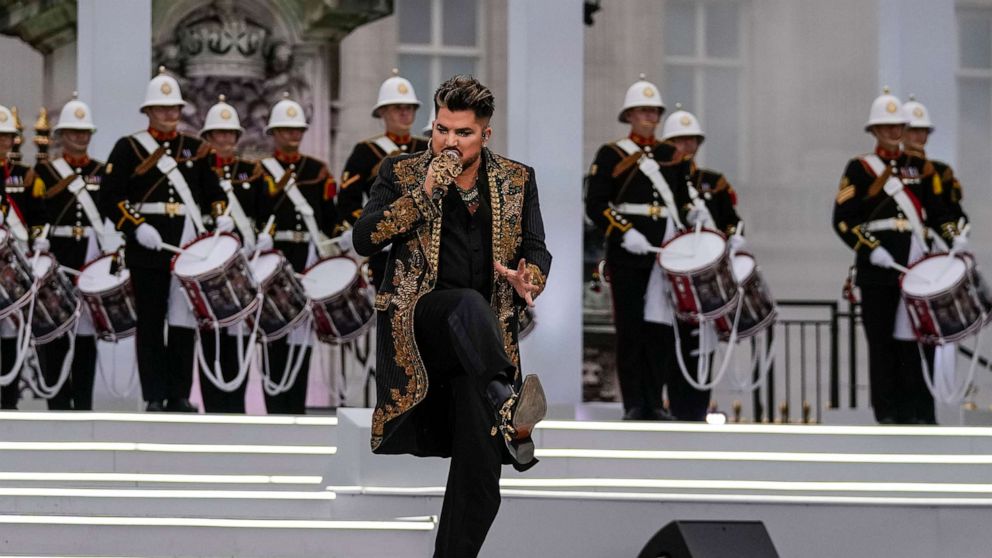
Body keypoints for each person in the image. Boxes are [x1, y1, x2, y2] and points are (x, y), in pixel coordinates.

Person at [353, 75, 551, 557]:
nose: (447, 141)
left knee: (482, 480)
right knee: (463, 302)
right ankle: (508, 404)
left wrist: (531, 278)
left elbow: (536, 248)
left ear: (485, 134)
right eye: (441, 129)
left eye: (462, 132)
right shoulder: (399, 171)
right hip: (421, 326)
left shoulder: (516, 178)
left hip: (479, 349)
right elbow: (365, 238)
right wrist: (424, 193)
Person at [832, 88, 964, 424]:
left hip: (916, 267)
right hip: (879, 270)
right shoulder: (860, 168)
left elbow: (937, 212)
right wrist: (870, 248)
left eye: (898, 125)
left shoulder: (920, 168)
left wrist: (953, 237)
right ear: (874, 130)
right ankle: (888, 413)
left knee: (917, 343)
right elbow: (844, 219)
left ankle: (919, 411)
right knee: (882, 344)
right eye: (887, 126)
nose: (894, 132)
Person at [102, 67, 230, 412]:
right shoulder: (128, 148)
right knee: (150, 319)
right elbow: (110, 197)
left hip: (186, 244)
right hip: (148, 245)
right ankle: (154, 395)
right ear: (148, 111)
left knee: (182, 320)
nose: (169, 113)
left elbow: (213, 190)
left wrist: (220, 213)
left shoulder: (196, 148)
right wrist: (135, 226)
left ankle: (179, 394)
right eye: (162, 108)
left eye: (174, 107)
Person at [584, 75, 689, 421]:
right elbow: (596, 204)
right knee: (629, 329)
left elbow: (682, 204)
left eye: (654, 112)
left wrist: (695, 217)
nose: (649, 118)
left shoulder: (671, 156)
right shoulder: (612, 154)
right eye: (642, 111)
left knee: (658, 330)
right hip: (628, 253)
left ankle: (655, 401)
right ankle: (634, 403)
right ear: (629, 115)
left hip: (664, 254)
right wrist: (623, 231)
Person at [656, 105, 744, 421]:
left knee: (701, 348)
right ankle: (674, 407)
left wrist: (733, 238)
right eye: (679, 141)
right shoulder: (659, 184)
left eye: (692, 140)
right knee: (672, 344)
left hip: (704, 281)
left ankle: (695, 410)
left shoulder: (713, 182)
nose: (687, 147)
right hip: (673, 278)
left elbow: (733, 221)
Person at [255, 93, 338, 414]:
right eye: (287, 129)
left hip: (306, 252)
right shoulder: (260, 171)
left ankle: (296, 404)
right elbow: (254, 213)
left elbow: (328, 218)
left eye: (297, 129)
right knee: (273, 327)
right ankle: (273, 404)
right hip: (274, 254)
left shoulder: (316, 170)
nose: (293, 135)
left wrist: (341, 238)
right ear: (274, 133)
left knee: (302, 331)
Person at [25, 94, 109, 410]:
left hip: (89, 255)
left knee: (86, 334)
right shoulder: (43, 174)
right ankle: (57, 403)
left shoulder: (102, 171)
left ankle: (84, 402)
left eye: (84, 131)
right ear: (61, 136)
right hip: (56, 256)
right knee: (53, 330)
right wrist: (38, 242)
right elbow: (33, 214)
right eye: (73, 131)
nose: (79, 137)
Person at [197, 95, 269, 413]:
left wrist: (263, 235)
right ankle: (212, 403)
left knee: (239, 332)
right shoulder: (198, 172)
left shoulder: (250, 171)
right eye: (218, 134)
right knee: (211, 329)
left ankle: (236, 404)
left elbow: (263, 210)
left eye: (229, 134)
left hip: (241, 260)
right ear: (208, 138)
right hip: (210, 262)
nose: (224, 139)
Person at [336, 69, 429, 288]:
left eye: (410, 108)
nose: (405, 113)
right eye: (398, 108)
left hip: (425, 244)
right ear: (383, 113)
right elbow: (347, 200)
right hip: (385, 246)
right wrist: (374, 227)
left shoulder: (427, 148)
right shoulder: (365, 152)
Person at [0, 103, 45, 409]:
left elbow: (38, 215)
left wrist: (39, 240)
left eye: (7, 137)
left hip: (14, 262)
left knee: (11, 330)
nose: (3, 142)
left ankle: (9, 398)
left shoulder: (27, 176)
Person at [901, 96, 968, 236]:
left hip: (937, 239)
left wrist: (957, 234)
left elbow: (953, 211)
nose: (920, 135)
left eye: (924, 130)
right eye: (914, 130)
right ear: (901, 133)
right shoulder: (891, 168)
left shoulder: (941, 170)